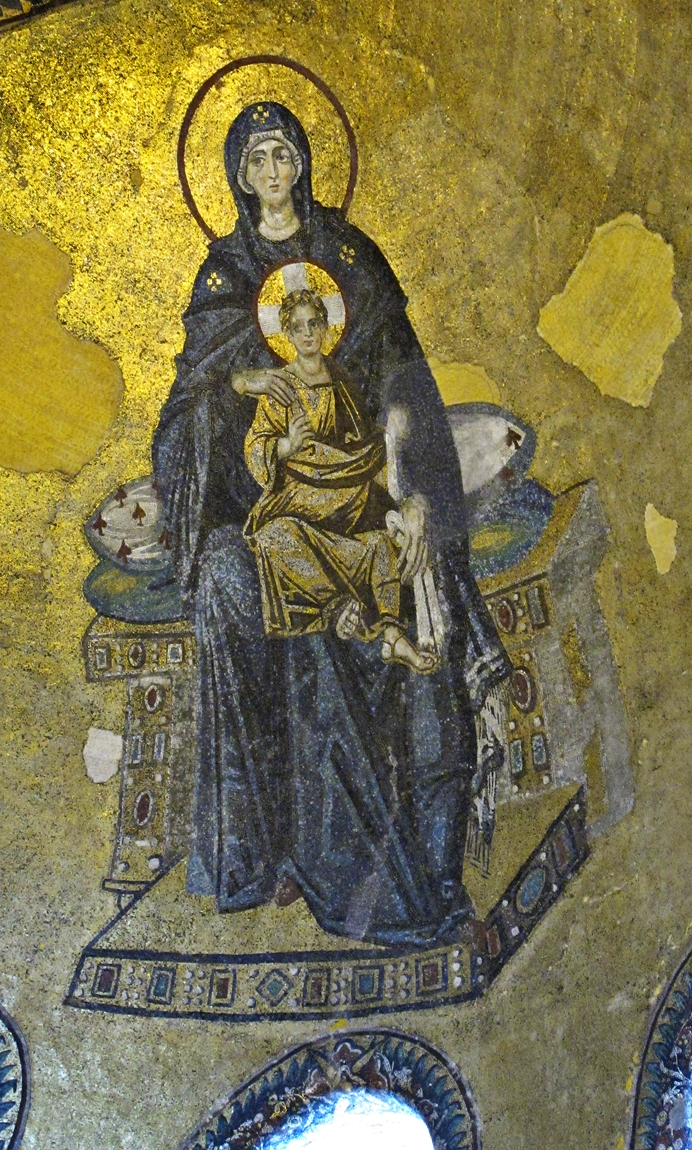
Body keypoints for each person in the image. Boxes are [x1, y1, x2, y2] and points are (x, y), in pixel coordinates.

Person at [151, 100, 511, 947]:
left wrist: (415, 496)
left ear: (304, 163)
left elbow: (406, 387)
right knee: (263, 600)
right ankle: (291, 855)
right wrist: (240, 388)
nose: (273, 172)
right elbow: (188, 416)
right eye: (257, 160)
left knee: (417, 616)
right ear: (239, 177)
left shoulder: (351, 258)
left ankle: (426, 872)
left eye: (283, 154)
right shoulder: (223, 280)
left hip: (370, 496)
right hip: (275, 510)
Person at [244, 288, 439, 674]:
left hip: (348, 488)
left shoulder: (341, 380)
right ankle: (341, 607)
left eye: (314, 323)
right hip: (300, 494)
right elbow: (255, 447)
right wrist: (286, 446)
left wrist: (391, 452)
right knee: (273, 538)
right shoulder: (280, 386)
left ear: (325, 327)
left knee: (381, 539)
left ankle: (393, 636)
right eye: (297, 327)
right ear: (287, 334)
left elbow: (364, 441)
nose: (307, 333)